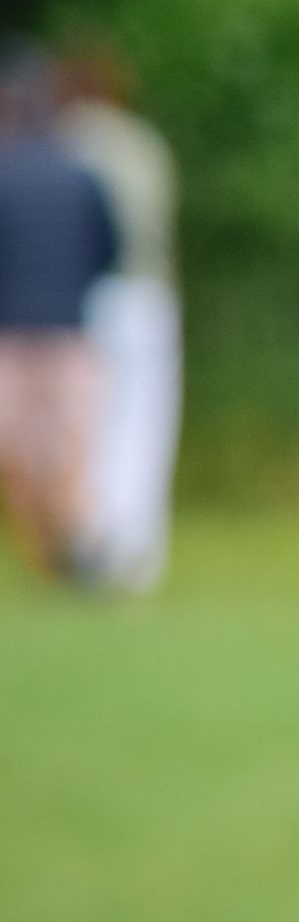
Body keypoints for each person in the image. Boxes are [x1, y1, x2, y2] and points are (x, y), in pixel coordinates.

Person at [58, 40, 182, 593]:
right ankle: (136, 550)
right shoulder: (142, 143)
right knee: (144, 424)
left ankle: (92, 542)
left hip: (85, 300)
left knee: (88, 427)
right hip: (146, 293)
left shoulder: (65, 144)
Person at [0, 40, 119, 579]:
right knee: (71, 449)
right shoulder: (82, 175)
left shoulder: (4, 175)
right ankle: (73, 550)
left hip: (11, 333)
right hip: (70, 331)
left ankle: (48, 557)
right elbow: (108, 250)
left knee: (16, 451)